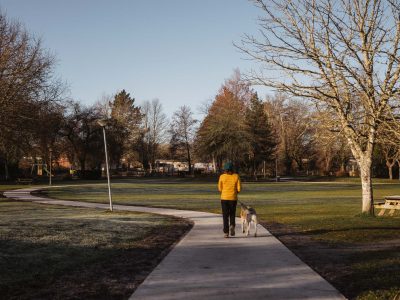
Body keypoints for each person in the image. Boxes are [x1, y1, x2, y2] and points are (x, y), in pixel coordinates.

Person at [218, 162, 241, 238]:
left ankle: (226, 232)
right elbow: (239, 188)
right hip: (233, 198)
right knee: (232, 214)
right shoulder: (236, 176)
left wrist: (224, 191)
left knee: (225, 215)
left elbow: (219, 188)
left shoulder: (222, 177)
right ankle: (232, 225)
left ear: (225, 169)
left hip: (224, 198)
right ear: (232, 169)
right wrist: (235, 192)